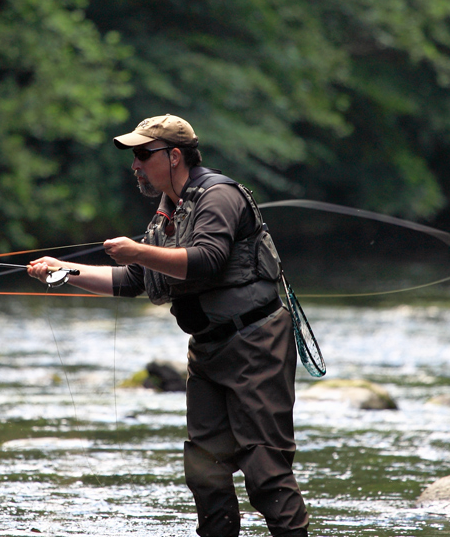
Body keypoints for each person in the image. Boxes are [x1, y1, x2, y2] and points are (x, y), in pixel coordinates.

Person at [28, 114, 309, 537]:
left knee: (266, 472)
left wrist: (138, 251)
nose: (135, 165)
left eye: (143, 154)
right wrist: (63, 271)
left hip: (256, 343)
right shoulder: (167, 213)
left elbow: (206, 258)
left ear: (174, 155)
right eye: (133, 157)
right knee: (204, 470)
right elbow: (133, 281)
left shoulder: (219, 197)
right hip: (208, 350)